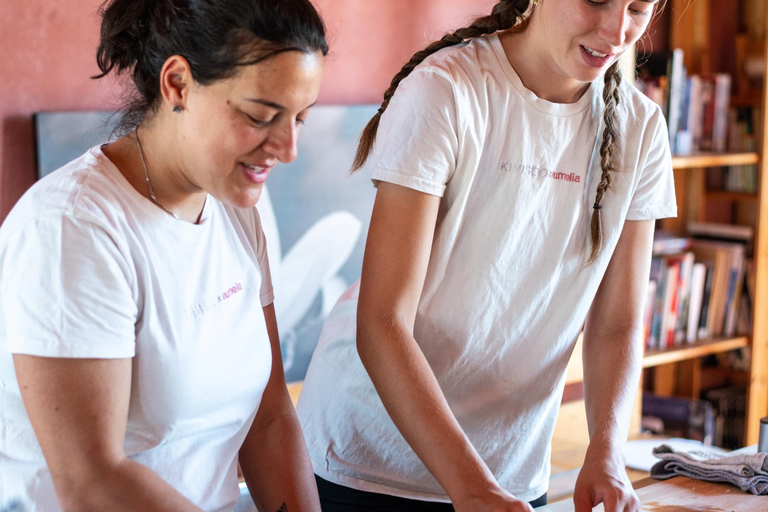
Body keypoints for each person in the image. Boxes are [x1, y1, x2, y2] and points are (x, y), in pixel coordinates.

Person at [296, 0, 674, 511]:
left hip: (510, 472)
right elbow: (382, 322)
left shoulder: (642, 129)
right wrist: (471, 487)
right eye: (596, 0)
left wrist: (606, 451)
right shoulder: (447, 90)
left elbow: (616, 323)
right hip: (369, 463)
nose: (617, 29)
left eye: (637, 7)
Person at [0, 1, 327, 511]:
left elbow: (269, 415)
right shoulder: (73, 228)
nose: (287, 149)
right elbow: (93, 480)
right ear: (177, 84)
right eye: (262, 116)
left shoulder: (236, 211)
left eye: (300, 119)